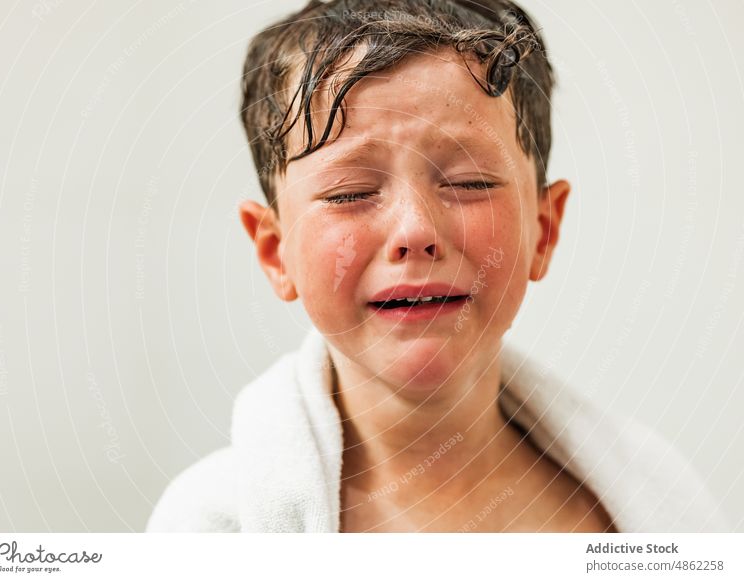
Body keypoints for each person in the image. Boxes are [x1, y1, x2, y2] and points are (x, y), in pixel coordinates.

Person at [147, 0, 726, 532]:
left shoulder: (651, 511)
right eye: (349, 192)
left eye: (470, 182)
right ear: (276, 252)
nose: (416, 231)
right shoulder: (212, 530)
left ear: (544, 230)